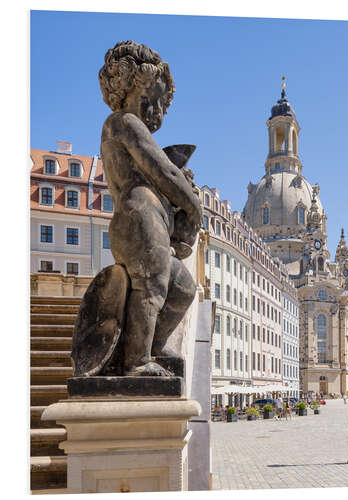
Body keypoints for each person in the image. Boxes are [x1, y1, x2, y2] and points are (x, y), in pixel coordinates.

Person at [98, 41, 202, 376]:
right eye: (154, 100)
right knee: (151, 287)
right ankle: (136, 360)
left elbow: (164, 173)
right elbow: (163, 171)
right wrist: (192, 203)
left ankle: (152, 346)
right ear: (131, 87)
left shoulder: (132, 126)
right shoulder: (123, 122)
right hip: (137, 219)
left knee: (183, 288)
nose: (159, 109)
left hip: (151, 218)